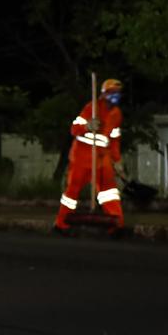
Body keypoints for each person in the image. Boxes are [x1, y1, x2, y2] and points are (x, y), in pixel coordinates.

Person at [53, 78, 125, 236]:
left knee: (109, 192)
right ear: (104, 94)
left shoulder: (117, 114)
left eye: (118, 94)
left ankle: (117, 225)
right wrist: (87, 126)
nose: (115, 97)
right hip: (82, 156)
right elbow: (74, 129)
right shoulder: (91, 108)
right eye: (112, 93)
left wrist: (117, 160)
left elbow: (114, 140)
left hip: (102, 157)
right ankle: (61, 224)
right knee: (72, 190)